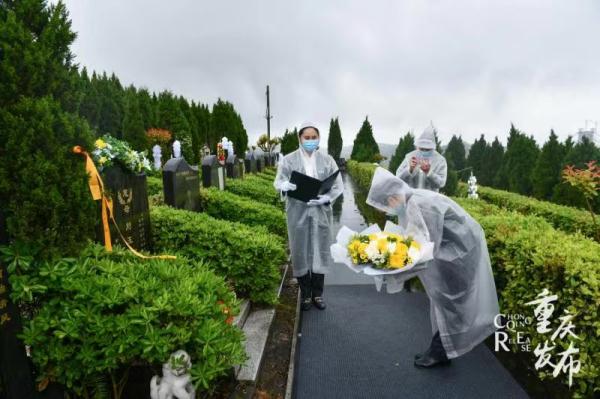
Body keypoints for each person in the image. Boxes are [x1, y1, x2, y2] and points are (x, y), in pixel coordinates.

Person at [366, 167, 499, 368]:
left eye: (386, 205)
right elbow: (412, 239)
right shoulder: (411, 200)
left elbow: (422, 252)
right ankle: (442, 348)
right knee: (444, 300)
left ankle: (442, 351)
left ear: (393, 196)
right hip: (453, 247)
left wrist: (388, 269)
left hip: (460, 251)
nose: (388, 209)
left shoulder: (420, 205)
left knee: (450, 301)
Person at [274, 122, 344, 311]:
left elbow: (338, 184)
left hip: (320, 212)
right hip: (297, 212)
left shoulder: (328, 160)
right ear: (300, 138)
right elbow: (279, 180)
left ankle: (318, 294)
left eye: (314, 137)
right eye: (307, 137)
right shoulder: (288, 160)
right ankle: (305, 295)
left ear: (319, 138)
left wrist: (327, 198)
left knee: (320, 249)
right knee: (300, 250)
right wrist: (283, 186)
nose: (311, 141)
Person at [396, 125, 447, 192]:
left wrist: (429, 172)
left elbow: (441, 183)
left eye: (427, 149)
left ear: (432, 147)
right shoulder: (410, 156)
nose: (424, 151)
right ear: (418, 146)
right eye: (422, 148)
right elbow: (398, 177)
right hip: (411, 197)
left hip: (430, 199)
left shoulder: (440, 160)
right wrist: (410, 169)